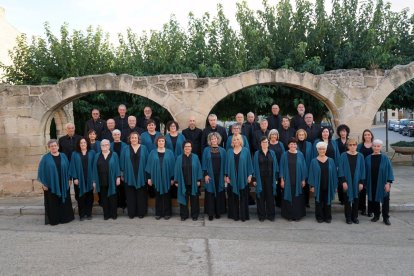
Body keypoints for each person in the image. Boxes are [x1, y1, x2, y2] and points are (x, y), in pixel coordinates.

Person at [37, 139, 74, 225]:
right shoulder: (45, 158)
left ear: (58, 146)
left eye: (55, 145)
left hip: (63, 182)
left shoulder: (63, 156)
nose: (54, 147)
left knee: (64, 201)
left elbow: (68, 168)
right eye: (51, 146)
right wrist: (43, 184)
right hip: (51, 184)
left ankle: (65, 218)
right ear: (49, 147)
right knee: (53, 202)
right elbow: (41, 171)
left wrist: (69, 179)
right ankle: (54, 219)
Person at [120, 132, 149, 219]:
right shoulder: (125, 149)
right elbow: (122, 161)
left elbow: (147, 162)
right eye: (132, 138)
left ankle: (141, 212)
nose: (134, 139)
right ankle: (131, 213)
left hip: (141, 175)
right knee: (130, 195)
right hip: (129, 174)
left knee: (141, 194)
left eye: (135, 138)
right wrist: (122, 174)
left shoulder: (144, 148)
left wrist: (148, 176)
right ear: (130, 139)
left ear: (138, 139)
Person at [145, 135, 176, 220]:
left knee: (167, 195)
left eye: (162, 141)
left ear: (165, 142)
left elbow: (173, 166)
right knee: (158, 195)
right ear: (157, 142)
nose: (161, 142)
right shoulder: (152, 152)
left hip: (167, 177)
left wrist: (172, 178)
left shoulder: (169, 152)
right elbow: (149, 166)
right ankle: (158, 213)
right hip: (156, 177)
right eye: (159, 141)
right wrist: (149, 178)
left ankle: (167, 213)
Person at [365, 139, 394, 226]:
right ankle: (376, 215)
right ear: (372, 146)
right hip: (372, 182)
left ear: (381, 147)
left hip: (383, 183)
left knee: (385, 200)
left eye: (378, 146)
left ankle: (386, 218)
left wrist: (388, 183)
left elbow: (390, 171)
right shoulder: (367, 158)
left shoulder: (385, 158)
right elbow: (365, 172)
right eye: (375, 146)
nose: (376, 148)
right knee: (374, 200)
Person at [225, 134, 253, 222]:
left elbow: (249, 164)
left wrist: (250, 175)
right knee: (233, 197)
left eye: (237, 139)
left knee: (244, 197)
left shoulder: (246, 151)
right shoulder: (229, 151)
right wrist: (226, 176)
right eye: (234, 140)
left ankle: (244, 216)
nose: (236, 141)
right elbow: (226, 164)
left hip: (243, 177)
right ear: (232, 141)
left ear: (240, 140)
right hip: (232, 177)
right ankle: (234, 215)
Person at [308, 142, 337, 223]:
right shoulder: (313, 161)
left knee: (327, 201)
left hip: (328, 183)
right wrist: (312, 186)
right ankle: (319, 217)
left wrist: (334, 186)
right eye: (320, 149)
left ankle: (328, 217)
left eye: (323, 149)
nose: (322, 150)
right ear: (317, 150)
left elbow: (334, 174)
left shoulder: (331, 160)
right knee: (319, 202)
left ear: (326, 149)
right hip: (318, 184)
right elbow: (311, 174)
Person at [338, 138, 365, 224]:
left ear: (357, 146)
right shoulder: (343, 155)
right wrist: (343, 181)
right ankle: (348, 217)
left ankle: (355, 217)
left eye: (354, 145)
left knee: (356, 200)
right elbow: (340, 169)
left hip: (357, 181)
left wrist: (361, 182)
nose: (352, 146)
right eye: (350, 145)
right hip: (347, 181)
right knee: (347, 201)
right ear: (347, 146)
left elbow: (362, 170)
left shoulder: (360, 156)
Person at [92, 139, 121, 220]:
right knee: (104, 198)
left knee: (113, 197)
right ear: (100, 146)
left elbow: (117, 166)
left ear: (109, 145)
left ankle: (113, 214)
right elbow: (94, 168)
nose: (104, 146)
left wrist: (118, 177)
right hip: (101, 180)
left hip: (112, 179)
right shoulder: (97, 155)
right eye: (102, 145)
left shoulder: (114, 154)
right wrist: (94, 181)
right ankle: (106, 214)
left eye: (106, 145)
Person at [280, 138, 307, 221]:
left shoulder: (300, 154)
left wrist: (303, 179)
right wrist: (282, 180)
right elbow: (281, 167)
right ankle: (289, 215)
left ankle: (297, 215)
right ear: (288, 145)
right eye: (291, 144)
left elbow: (303, 167)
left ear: (296, 145)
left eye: (295, 144)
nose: (293, 145)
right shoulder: (284, 154)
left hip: (298, 180)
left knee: (297, 198)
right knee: (288, 197)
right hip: (287, 180)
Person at [252, 136, 279, 221]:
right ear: (260, 144)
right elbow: (253, 167)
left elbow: (276, 166)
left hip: (270, 178)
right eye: (263, 142)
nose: (265, 144)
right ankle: (261, 215)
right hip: (260, 179)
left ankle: (271, 215)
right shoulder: (256, 153)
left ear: (268, 143)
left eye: (266, 142)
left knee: (270, 197)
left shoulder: (272, 153)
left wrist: (276, 178)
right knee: (260, 197)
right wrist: (254, 179)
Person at [174, 141, 202, 221]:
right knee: (183, 199)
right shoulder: (179, 158)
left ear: (191, 148)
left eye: (189, 146)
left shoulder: (195, 157)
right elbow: (176, 170)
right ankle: (184, 215)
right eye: (186, 146)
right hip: (183, 182)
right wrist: (176, 181)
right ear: (183, 148)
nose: (187, 148)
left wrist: (199, 180)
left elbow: (199, 168)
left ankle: (194, 215)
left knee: (194, 200)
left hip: (193, 182)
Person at [69, 138, 95, 221]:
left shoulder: (92, 153)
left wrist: (94, 180)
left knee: (89, 197)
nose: (83, 144)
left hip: (90, 178)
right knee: (81, 197)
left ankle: (89, 214)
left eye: (84, 142)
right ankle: (82, 214)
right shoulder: (74, 154)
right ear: (79, 144)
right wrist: (75, 178)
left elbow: (95, 167)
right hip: (79, 179)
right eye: (81, 143)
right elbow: (72, 166)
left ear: (87, 143)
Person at [202, 132, 227, 221]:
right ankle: (210, 213)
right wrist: (205, 174)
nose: (214, 140)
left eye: (215, 138)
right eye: (212, 139)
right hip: (210, 175)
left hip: (220, 175)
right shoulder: (206, 150)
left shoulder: (223, 150)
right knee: (210, 193)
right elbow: (204, 163)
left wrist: (225, 175)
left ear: (218, 139)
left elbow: (226, 164)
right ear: (210, 140)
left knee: (219, 193)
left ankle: (218, 212)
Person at [58, 122, 82, 203]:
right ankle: (66, 200)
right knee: (66, 183)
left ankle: (78, 199)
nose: (71, 129)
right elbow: (60, 152)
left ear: (74, 128)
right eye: (69, 128)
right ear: (66, 130)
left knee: (77, 183)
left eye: (72, 128)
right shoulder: (61, 140)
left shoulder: (80, 138)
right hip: (66, 165)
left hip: (77, 165)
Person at [357, 129, 374, 217]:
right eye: (365, 135)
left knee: (371, 190)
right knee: (362, 190)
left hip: (372, 171)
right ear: (363, 136)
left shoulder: (374, 145)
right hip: (362, 170)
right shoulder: (360, 146)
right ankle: (362, 208)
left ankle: (370, 210)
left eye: (368, 134)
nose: (367, 136)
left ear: (371, 136)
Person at [110, 129, 128, 210]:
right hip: (112, 169)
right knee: (115, 186)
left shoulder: (125, 145)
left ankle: (123, 203)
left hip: (123, 168)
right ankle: (116, 203)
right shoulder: (109, 145)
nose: (116, 136)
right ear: (112, 136)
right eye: (115, 134)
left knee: (123, 187)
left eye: (118, 134)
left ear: (120, 135)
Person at [268, 129, 285, 207]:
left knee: (279, 185)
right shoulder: (267, 144)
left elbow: (284, 155)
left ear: (277, 136)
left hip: (279, 166)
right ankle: (270, 201)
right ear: (270, 135)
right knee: (270, 184)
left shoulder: (280, 144)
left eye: (275, 134)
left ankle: (279, 202)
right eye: (272, 134)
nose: (274, 136)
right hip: (270, 168)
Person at [296, 129, 312, 208]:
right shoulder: (294, 144)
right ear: (297, 136)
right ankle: (300, 201)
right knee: (299, 185)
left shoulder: (309, 144)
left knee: (306, 185)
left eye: (302, 135)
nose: (301, 136)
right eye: (300, 135)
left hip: (308, 167)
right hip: (298, 168)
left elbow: (312, 156)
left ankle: (306, 202)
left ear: (305, 135)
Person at [336, 124, 351, 205]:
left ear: (347, 132)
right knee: (340, 181)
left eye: (344, 131)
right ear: (339, 132)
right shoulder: (336, 142)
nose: (343, 133)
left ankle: (347, 197)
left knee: (347, 180)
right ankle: (341, 199)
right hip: (339, 164)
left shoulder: (350, 141)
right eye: (341, 131)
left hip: (348, 164)